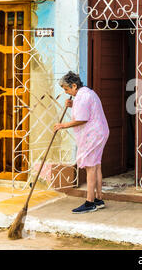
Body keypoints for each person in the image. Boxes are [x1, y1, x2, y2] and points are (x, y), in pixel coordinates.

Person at [54, 71, 110, 214]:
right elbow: (87, 110)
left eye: (67, 89)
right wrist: (73, 104)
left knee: (91, 167)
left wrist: (63, 125)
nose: (66, 92)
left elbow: (83, 118)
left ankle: (90, 202)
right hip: (99, 132)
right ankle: (98, 199)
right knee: (96, 165)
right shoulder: (87, 93)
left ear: (74, 85)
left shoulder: (82, 97)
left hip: (93, 135)